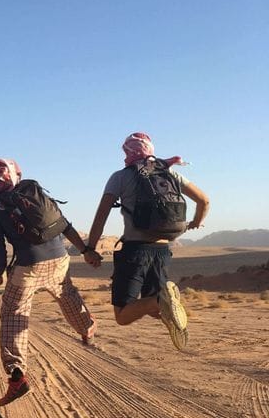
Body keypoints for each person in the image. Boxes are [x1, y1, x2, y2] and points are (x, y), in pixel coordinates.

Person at [0, 158, 101, 406]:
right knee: (67, 295)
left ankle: (17, 376)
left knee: (13, 313)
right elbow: (65, 226)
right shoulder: (38, 194)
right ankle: (87, 329)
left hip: (28, 267)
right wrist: (85, 250)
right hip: (60, 259)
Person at [86, 132, 210, 349]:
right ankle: (167, 309)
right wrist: (195, 222)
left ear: (127, 152)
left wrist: (90, 248)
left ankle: (161, 301)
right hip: (163, 251)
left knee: (123, 315)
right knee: (154, 308)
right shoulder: (169, 173)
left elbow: (101, 215)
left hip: (135, 251)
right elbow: (204, 200)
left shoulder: (121, 177)